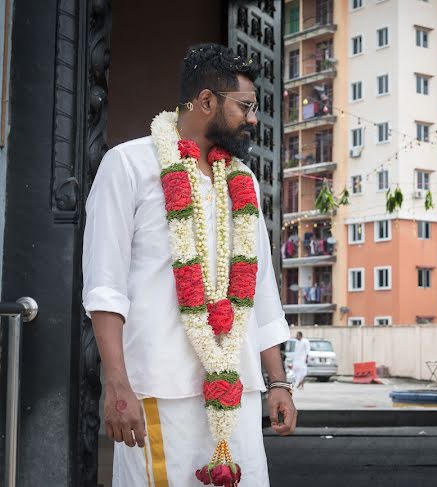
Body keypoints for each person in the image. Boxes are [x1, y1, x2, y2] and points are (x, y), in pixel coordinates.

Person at [83, 43, 296, 487]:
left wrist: (278, 382)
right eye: (245, 107)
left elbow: (260, 287)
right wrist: (117, 382)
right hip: (160, 388)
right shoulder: (129, 165)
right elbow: (105, 286)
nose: (253, 118)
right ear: (206, 102)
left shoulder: (245, 181)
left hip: (235, 391)